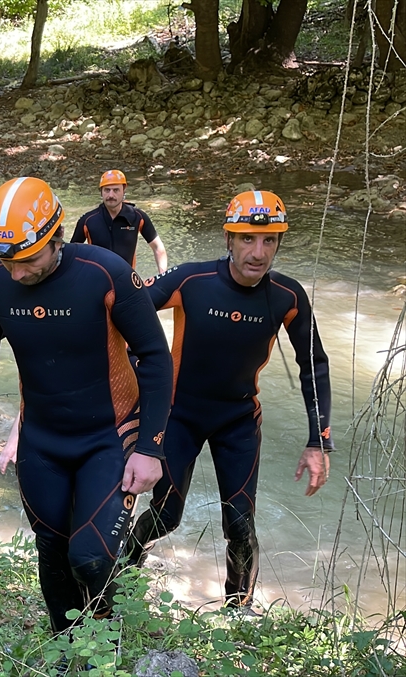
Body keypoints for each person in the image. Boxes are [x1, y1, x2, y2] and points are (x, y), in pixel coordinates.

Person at [0, 176, 173, 637]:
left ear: (57, 239)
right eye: (6, 259)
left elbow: (156, 358)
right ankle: (66, 649)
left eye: (28, 259)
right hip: (43, 440)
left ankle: (107, 634)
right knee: (52, 552)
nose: (16, 273)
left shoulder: (106, 273)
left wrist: (151, 448)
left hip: (111, 434)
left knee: (91, 557)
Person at [123, 190, 332, 609]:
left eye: (269, 240)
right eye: (247, 240)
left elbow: (315, 367)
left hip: (238, 419)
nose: (258, 252)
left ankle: (239, 609)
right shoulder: (191, 281)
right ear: (229, 239)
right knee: (166, 516)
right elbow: (124, 310)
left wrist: (318, 441)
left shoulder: (288, 298)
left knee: (239, 523)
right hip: (178, 415)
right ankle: (126, 572)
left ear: (278, 243)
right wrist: (131, 375)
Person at [73, 170, 169, 273]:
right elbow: (72, 254)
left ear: (124, 190)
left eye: (116, 190)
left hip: (127, 281)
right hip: (98, 282)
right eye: (107, 190)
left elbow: (158, 247)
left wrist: (162, 277)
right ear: (101, 191)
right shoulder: (88, 220)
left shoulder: (138, 217)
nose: (111, 195)